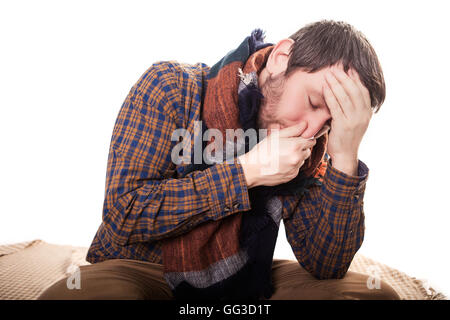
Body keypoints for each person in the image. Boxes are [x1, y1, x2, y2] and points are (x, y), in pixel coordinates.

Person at [38, 20, 400, 300]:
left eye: (331, 124)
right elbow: (125, 214)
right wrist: (248, 173)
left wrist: (346, 155)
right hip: (144, 269)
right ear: (281, 58)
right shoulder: (171, 87)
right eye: (315, 102)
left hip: (245, 282)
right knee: (80, 294)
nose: (311, 130)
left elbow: (327, 264)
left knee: (372, 294)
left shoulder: (310, 148)